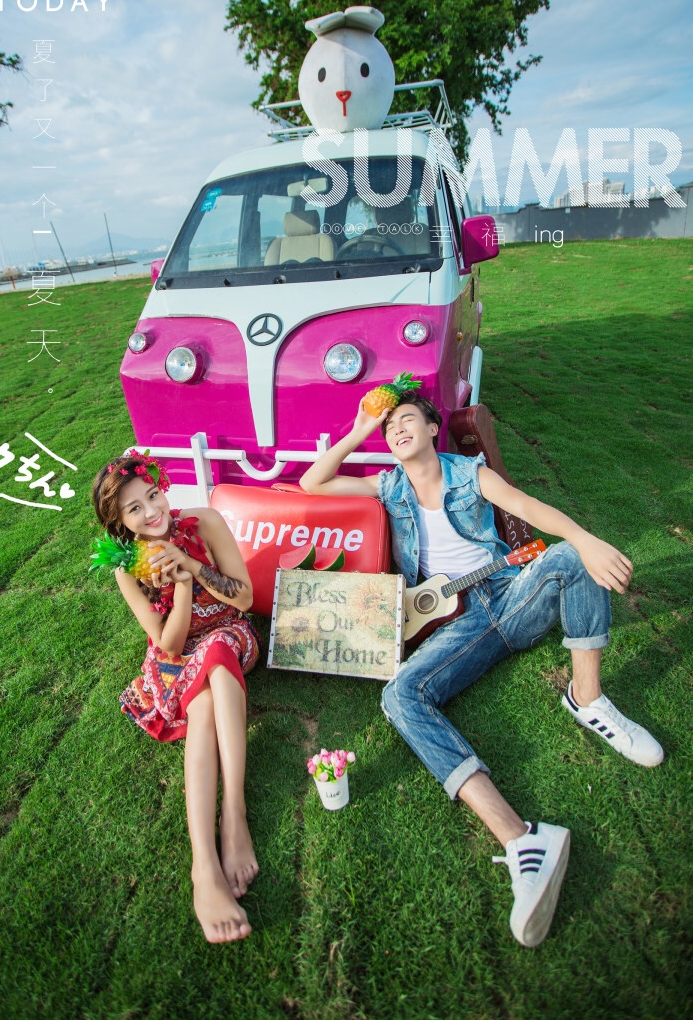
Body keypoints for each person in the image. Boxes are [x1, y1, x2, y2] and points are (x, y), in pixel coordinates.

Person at [299, 394, 663, 947]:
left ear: (432, 427)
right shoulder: (388, 486)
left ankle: (587, 698)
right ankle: (522, 841)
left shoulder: (470, 474)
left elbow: (528, 506)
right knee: (399, 697)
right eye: (389, 427)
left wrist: (585, 540)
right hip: (454, 624)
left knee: (569, 557)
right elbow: (313, 483)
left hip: (508, 595)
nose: (396, 429)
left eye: (406, 419)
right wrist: (358, 430)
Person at [92, 451, 260, 945]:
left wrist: (190, 564)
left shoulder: (205, 522)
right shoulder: (127, 570)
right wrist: (181, 586)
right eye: (135, 509)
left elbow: (245, 599)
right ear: (120, 523)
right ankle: (203, 865)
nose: (152, 511)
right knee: (202, 703)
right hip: (178, 656)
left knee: (219, 656)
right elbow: (168, 644)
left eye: (153, 495)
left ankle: (234, 816)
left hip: (230, 634)